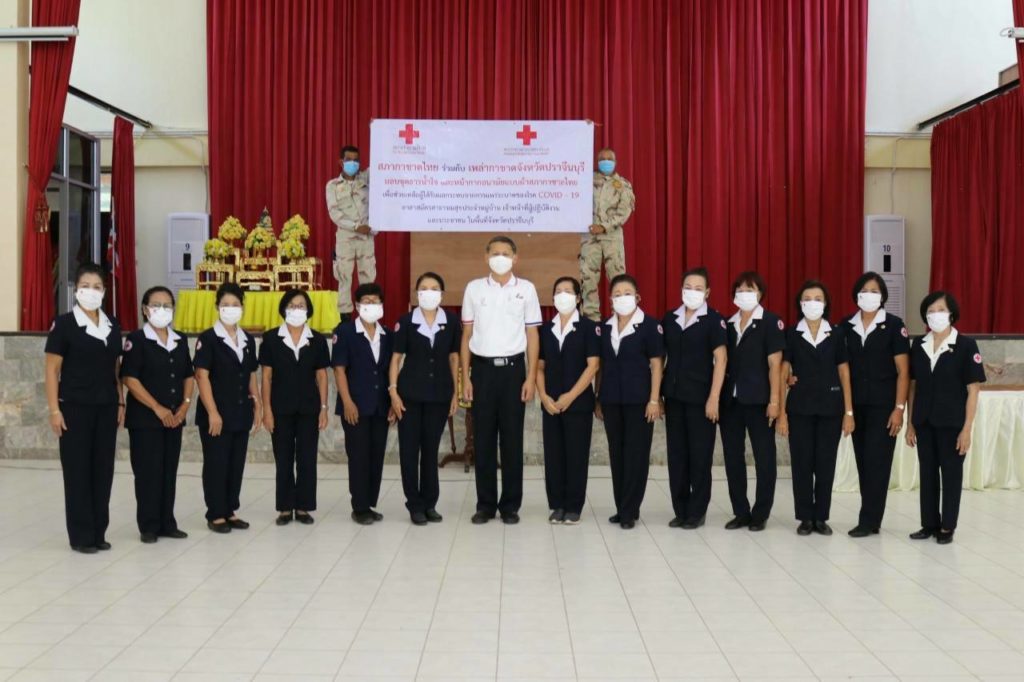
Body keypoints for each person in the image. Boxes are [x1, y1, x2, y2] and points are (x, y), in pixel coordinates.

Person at [461, 236, 542, 525]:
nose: (500, 257)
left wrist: (530, 377)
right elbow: (467, 335)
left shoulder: (526, 289)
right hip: (482, 372)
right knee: (483, 439)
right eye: (495, 253)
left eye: (506, 253)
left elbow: (532, 335)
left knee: (511, 440)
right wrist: (466, 377)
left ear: (515, 258)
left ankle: (510, 506)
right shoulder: (474, 288)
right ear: (486, 257)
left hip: (513, 372)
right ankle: (485, 505)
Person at [44, 262, 124, 554]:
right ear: (76, 290)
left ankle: (98, 531)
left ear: (104, 291)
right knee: (78, 471)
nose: (91, 291)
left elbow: (115, 367)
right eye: (85, 286)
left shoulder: (112, 324)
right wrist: (54, 410)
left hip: (106, 407)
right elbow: (52, 370)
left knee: (103, 471)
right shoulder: (64, 324)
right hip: (75, 408)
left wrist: (120, 400)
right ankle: (80, 535)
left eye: (97, 287)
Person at [905, 292, 985, 545]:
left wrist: (967, 429)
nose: (935, 315)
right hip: (924, 421)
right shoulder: (919, 344)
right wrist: (910, 423)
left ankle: (948, 526)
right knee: (928, 474)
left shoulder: (966, 345)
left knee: (951, 475)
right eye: (930, 311)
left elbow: (973, 390)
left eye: (940, 309)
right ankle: (929, 523)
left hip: (952, 423)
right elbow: (913, 386)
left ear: (951, 314)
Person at [777, 281, 854, 536]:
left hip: (831, 408)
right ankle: (804, 517)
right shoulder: (791, 333)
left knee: (825, 464)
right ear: (800, 304)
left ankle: (821, 516)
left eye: (818, 298)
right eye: (807, 298)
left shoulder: (837, 333)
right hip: (799, 408)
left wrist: (849, 412)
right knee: (801, 464)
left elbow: (844, 372)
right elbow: (783, 372)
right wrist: (782, 413)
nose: (812, 303)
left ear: (825, 303)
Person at [121, 286, 194, 543]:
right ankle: (149, 525)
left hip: (174, 419)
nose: (162, 310)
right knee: (148, 472)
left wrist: (185, 405)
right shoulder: (137, 339)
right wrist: (157, 407)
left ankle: (167, 523)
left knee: (168, 471)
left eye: (167, 305)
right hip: (145, 420)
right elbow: (130, 378)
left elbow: (188, 375)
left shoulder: (179, 339)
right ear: (145, 309)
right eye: (156, 305)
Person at [389, 272, 461, 525]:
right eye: (424, 288)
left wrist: (456, 392)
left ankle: (430, 503)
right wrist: (393, 392)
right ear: (417, 293)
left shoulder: (451, 321)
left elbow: (454, 357)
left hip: (439, 395)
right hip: (409, 395)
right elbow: (396, 359)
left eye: (434, 288)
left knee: (430, 451)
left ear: (441, 294)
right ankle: (414, 504)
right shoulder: (406, 321)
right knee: (409, 451)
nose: (429, 292)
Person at [842, 272, 910, 537]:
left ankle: (869, 520)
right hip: (857, 405)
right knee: (863, 462)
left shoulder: (894, 325)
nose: (869, 295)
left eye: (874, 291)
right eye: (864, 291)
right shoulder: (846, 325)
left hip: (884, 407)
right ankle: (870, 517)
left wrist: (899, 408)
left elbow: (903, 371)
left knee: (877, 463)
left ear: (882, 296)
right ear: (856, 295)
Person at [661, 267, 727, 529]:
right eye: (688, 287)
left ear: (707, 292)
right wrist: (658, 396)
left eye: (698, 288)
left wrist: (714, 398)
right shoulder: (670, 318)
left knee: (700, 457)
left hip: (701, 399)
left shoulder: (714, 320)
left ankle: (697, 511)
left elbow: (721, 360)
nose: (692, 292)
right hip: (674, 397)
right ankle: (680, 509)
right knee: (677, 456)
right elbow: (661, 359)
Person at [597, 274, 664, 529]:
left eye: (627, 293)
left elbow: (657, 365)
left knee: (636, 455)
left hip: (640, 401)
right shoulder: (605, 328)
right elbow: (601, 366)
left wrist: (654, 399)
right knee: (617, 454)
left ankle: (630, 510)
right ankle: (621, 506)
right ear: (610, 299)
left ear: (637, 297)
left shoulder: (649, 326)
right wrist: (598, 397)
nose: (622, 298)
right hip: (611, 400)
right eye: (617, 294)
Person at [719, 271, 785, 531]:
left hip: (760, 402)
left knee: (764, 458)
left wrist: (775, 400)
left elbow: (775, 365)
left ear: (760, 294)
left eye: (750, 289)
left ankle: (761, 513)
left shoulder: (770, 322)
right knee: (733, 457)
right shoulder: (728, 324)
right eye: (740, 290)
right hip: (731, 403)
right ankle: (741, 511)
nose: (744, 294)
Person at [193, 282, 261, 533]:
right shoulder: (208, 339)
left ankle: (230, 509)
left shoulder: (247, 340)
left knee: (235, 463)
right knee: (217, 463)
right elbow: (201, 376)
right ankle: (215, 513)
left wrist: (258, 403)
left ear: (242, 307)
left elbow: (251, 373)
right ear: (217, 307)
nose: (230, 309)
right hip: (217, 413)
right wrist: (212, 412)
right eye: (225, 305)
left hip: (241, 411)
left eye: (235, 304)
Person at [260, 289, 331, 526]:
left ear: (308, 310)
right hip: (280, 409)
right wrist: (267, 410)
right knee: (283, 459)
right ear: (284, 309)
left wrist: (324, 407)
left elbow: (322, 376)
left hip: (309, 409)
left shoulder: (317, 340)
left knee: (307, 459)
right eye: (292, 305)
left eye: (301, 305)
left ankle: (303, 507)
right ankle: (284, 507)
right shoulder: (271, 338)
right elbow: (266, 377)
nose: (297, 309)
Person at [536, 276, 600, 525]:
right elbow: (539, 366)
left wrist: (570, 397)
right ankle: (557, 505)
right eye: (558, 291)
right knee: (553, 456)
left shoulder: (588, 328)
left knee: (576, 455)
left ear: (578, 298)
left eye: (567, 291)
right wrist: (544, 396)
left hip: (578, 404)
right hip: (550, 403)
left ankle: (573, 506)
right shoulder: (546, 329)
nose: (562, 295)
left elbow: (593, 366)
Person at [333, 283, 394, 525]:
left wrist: (393, 401)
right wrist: (347, 401)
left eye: (375, 301)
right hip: (355, 406)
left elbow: (391, 370)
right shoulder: (346, 332)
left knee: (376, 455)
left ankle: (369, 503)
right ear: (357, 305)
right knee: (358, 456)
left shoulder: (387, 334)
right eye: (366, 301)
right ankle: (359, 507)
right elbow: (339, 370)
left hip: (380, 406)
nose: (371, 305)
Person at [579, 148, 636, 321]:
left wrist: (604, 226)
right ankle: (591, 321)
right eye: (602, 159)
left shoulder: (623, 185)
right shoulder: (584, 181)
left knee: (618, 279)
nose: (605, 161)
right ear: (597, 162)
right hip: (589, 238)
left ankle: (620, 319)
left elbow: (624, 212)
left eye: (609, 158)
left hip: (612, 237)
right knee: (587, 278)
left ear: (615, 162)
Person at [327, 144, 375, 321]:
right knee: (344, 278)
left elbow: (382, 164)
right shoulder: (333, 185)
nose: (353, 163)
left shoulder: (367, 179)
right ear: (341, 162)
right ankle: (345, 321)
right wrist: (355, 226)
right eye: (349, 160)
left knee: (368, 277)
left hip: (365, 238)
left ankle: (368, 317)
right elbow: (334, 213)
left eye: (356, 160)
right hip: (345, 238)